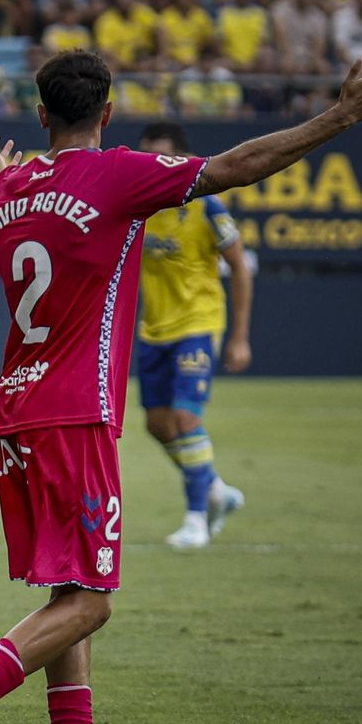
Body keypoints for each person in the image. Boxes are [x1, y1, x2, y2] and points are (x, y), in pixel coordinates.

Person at [0, 49, 362, 724]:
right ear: (106, 113)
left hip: (17, 409)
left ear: (39, 115)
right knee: (92, 600)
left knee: (71, 590)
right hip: (75, 411)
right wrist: (343, 116)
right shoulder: (120, 173)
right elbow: (238, 165)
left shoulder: (15, 189)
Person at [135, 122, 252, 550]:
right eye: (148, 157)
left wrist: (239, 336)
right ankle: (217, 489)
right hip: (154, 329)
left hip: (198, 325)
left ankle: (197, 519)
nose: (155, 166)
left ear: (183, 161)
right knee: (157, 424)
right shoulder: (138, 207)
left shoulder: (208, 209)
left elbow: (240, 266)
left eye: (163, 157)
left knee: (186, 417)